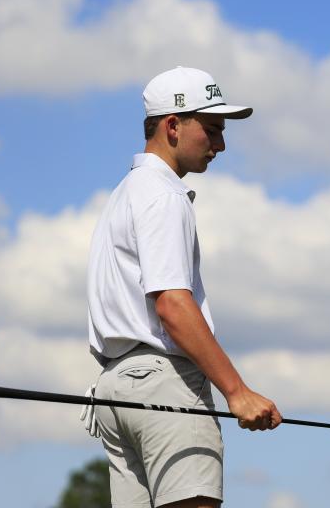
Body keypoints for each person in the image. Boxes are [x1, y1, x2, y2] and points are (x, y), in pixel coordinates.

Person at [84, 66, 281, 508]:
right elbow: (172, 303)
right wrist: (236, 391)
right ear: (173, 125)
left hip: (116, 390)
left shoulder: (125, 192)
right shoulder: (164, 195)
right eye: (212, 130)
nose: (221, 145)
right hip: (165, 385)